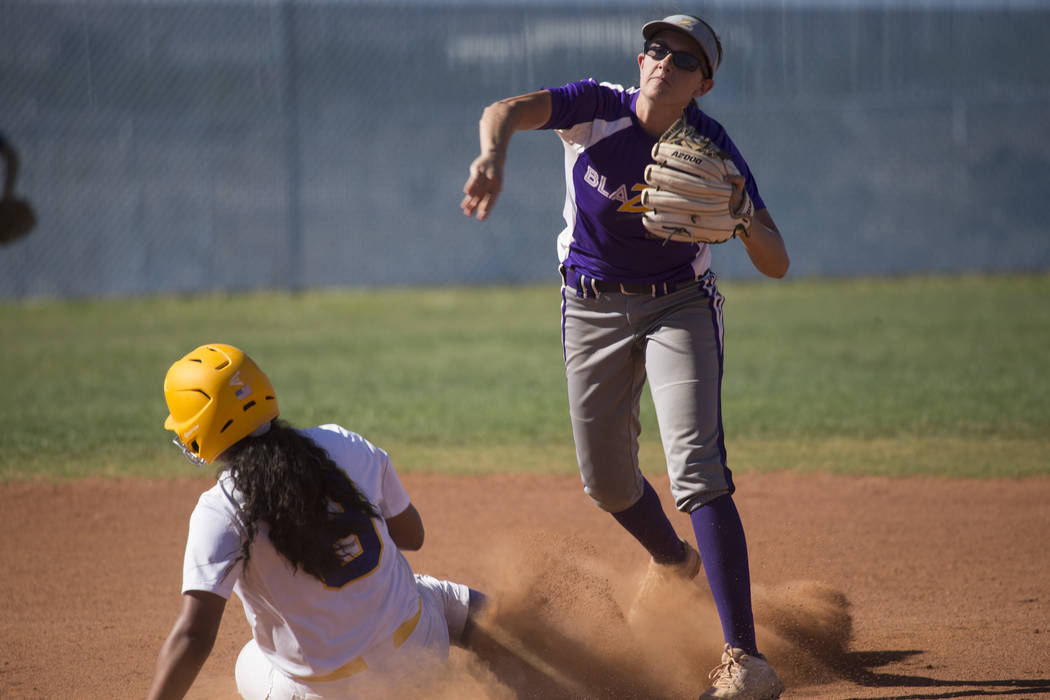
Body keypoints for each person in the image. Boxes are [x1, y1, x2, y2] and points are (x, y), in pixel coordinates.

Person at [461, 13, 788, 700]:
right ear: (639, 61)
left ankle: (746, 660)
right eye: (656, 48)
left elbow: (776, 260)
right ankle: (675, 563)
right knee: (606, 484)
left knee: (695, 469)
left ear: (703, 83)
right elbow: (506, 109)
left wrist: (741, 212)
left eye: (684, 56)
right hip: (590, 306)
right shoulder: (597, 109)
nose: (664, 59)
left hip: (679, 306)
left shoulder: (710, 146)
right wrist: (492, 155)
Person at [146, 343, 492, 700]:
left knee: (250, 657)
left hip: (321, 695)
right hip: (418, 662)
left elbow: (194, 637)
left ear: (197, 432)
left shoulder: (220, 509)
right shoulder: (342, 443)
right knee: (436, 596)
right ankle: (535, 651)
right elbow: (412, 535)